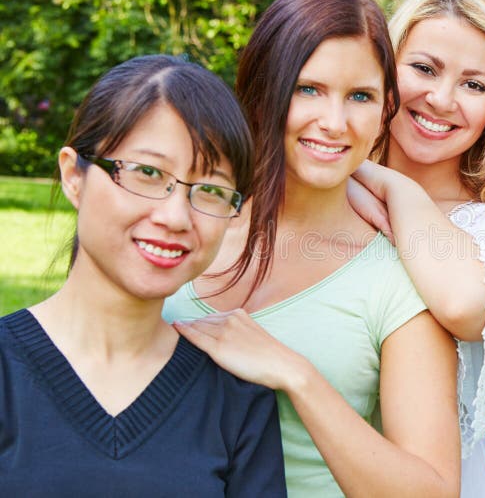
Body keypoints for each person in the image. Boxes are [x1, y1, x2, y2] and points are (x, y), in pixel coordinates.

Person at [162, 0, 461, 497]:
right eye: (308, 89)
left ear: (387, 107)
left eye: (360, 97)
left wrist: (296, 376)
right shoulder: (179, 224)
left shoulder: (397, 279)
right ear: (263, 89)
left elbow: (433, 490)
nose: (334, 122)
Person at [0, 55, 286, 496]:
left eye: (210, 190)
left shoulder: (236, 399)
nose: (175, 217)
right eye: (148, 173)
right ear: (73, 175)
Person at [347, 0, 485, 497]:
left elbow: (465, 305)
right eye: (424, 68)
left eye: (474, 85)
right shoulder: (322, 185)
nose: (441, 98)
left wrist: (383, 182)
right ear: (386, 66)